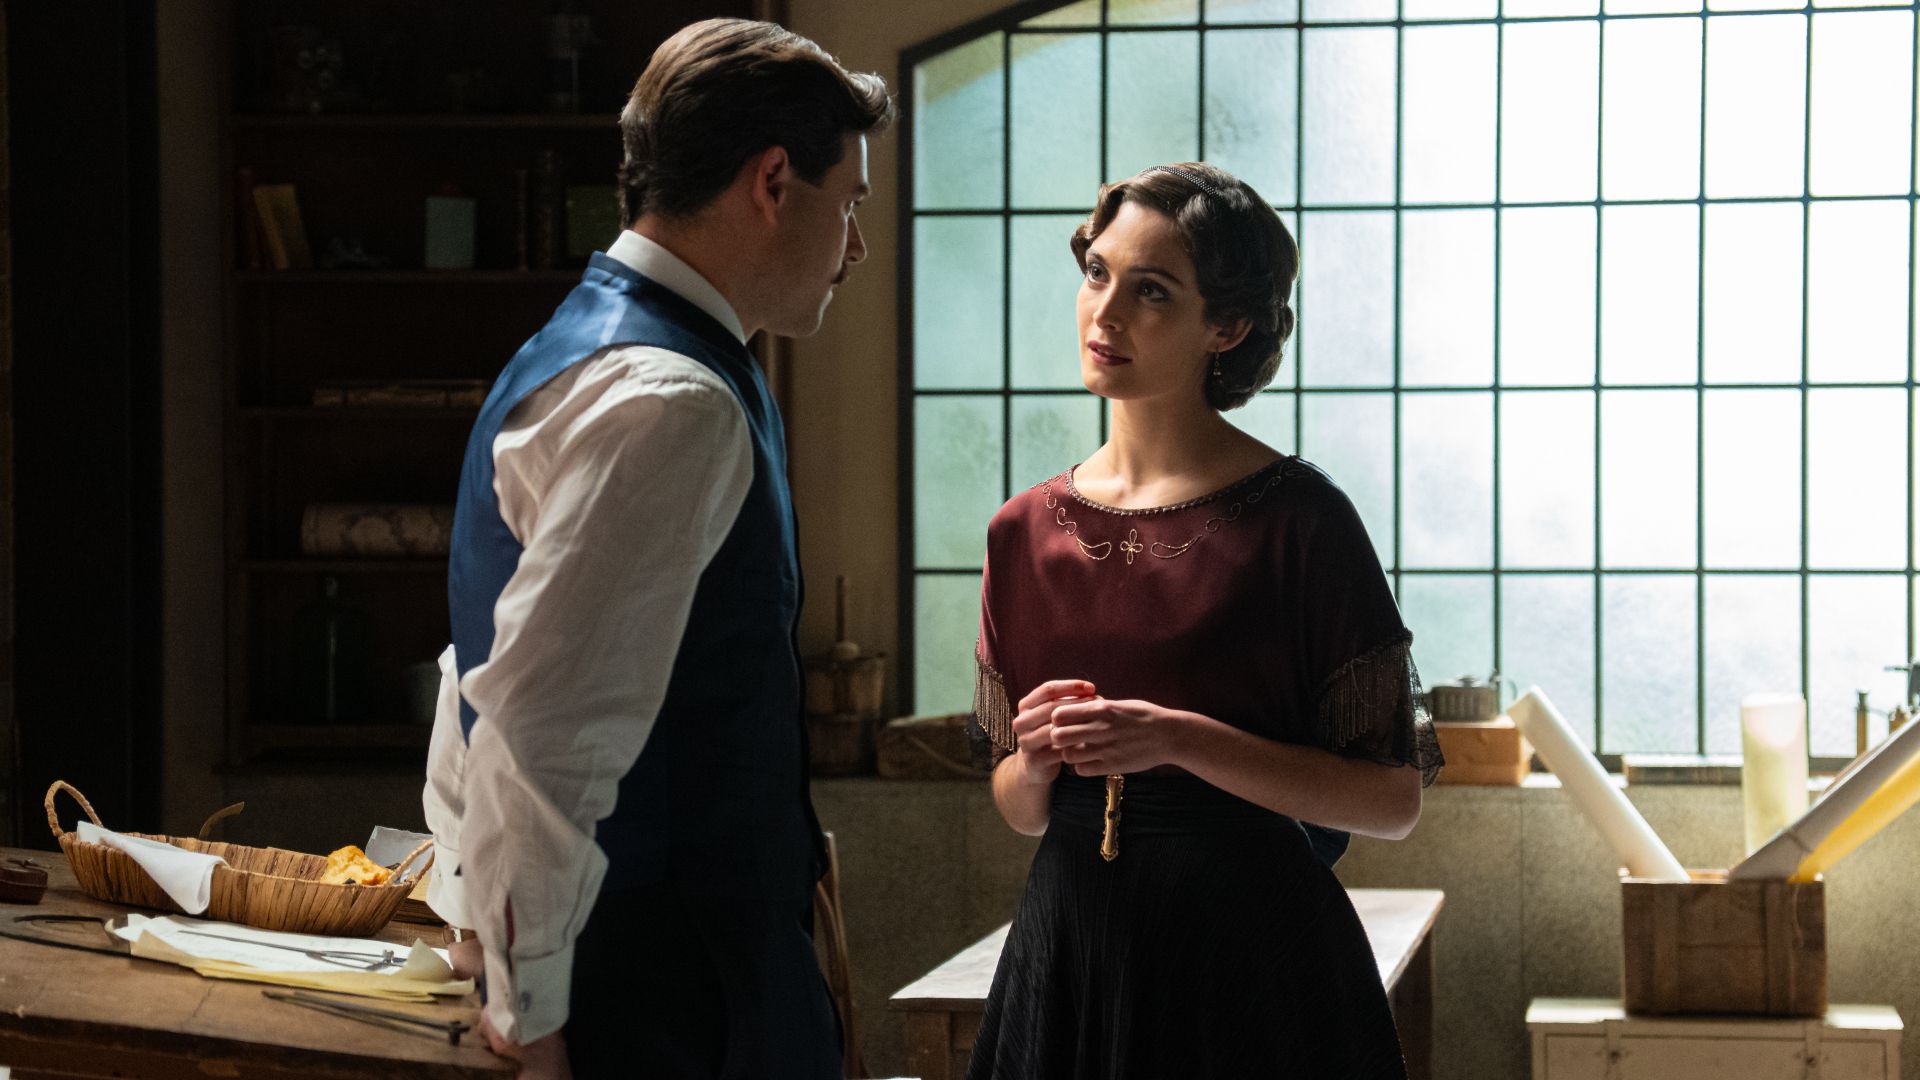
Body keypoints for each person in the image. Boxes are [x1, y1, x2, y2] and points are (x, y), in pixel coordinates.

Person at [427, 19, 892, 1079]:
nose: (856, 247)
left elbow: (476, 678)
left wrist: (481, 927)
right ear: (773, 181)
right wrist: (530, 1016)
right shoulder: (671, 397)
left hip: (652, 975)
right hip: (665, 1000)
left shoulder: (585, 345)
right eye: (851, 203)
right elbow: (536, 726)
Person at [964, 161, 1444, 1079]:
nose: (1105, 313)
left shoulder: (1301, 520)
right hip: (1071, 948)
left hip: (1253, 961)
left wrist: (1177, 739)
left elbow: (1392, 803)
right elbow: (1020, 809)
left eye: (1151, 290)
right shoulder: (1021, 532)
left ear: (1226, 327)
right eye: (1097, 273)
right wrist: (1036, 760)